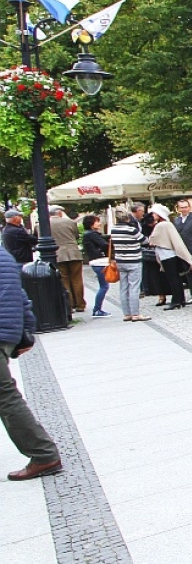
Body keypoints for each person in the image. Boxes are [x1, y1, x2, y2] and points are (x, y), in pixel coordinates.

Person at [0, 247, 62, 481]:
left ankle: (43, 453)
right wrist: (25, 329)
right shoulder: (3, 255)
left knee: (6, 397)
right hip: (7, 330)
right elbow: (20, 295)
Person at [146, 204, 192, 311]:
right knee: (176, 278)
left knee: (172, 278)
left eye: (154, 213)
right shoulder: (168, 224)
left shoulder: (161, 225)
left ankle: (176, 301)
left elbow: (152, 240)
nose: (152, 215)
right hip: (171, 254)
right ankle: (181, 299)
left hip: (167, 255)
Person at [46, 206, 87, 313]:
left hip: (58, 254)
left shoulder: (43, 224)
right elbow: (76, 236)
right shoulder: (70, 222)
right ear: (59, 213)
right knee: (77, 279)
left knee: (64, 280)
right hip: (73, 253)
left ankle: (69, 304)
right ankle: (80, 304)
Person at [110, 209, 149, 322]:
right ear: (128, 218)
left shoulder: (114, 230)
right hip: (134, 261)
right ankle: (135, 314)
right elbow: (145, 241)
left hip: (120, 261)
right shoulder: (132, 230)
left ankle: (127, 314)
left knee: (123, 287)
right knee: (134, 287)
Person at [132, 203, 167, 306]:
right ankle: (160, 295)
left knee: (162, 275)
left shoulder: (162, 224)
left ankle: (163, 295)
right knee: (155, 276)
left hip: (161, 252)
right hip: (151, 254)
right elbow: (145, 239)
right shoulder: (145, 225)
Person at [81, 215, 112, 318]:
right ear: (91, 224)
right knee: (104, 286)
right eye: (97, 222)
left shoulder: (89, 234)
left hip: (97, 261)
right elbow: (104, 244)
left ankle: (97, 309)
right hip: (99, 262)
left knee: (104, 286)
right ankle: (97, 309)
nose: (99, 224)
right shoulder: (92, 234)